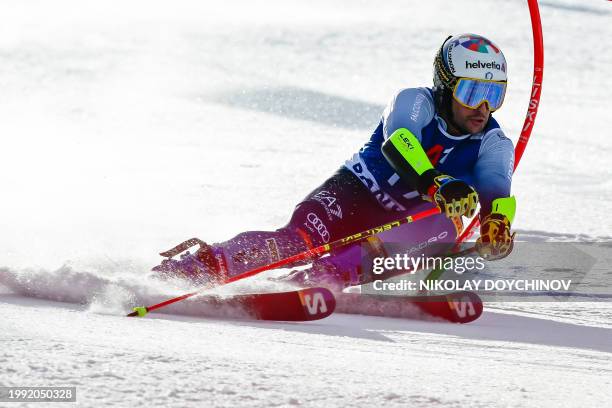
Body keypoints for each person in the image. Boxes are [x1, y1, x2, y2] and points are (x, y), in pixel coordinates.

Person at [153, 33, 517, 291]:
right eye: (471, 92)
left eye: (494, 94)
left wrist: (496, 225)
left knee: (444, 228)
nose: (483, 107)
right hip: (354, 193)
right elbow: (400, 142)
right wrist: (436, 183)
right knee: (296, 243)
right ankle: (195, 267)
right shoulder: (414, 101)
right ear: (444, 85)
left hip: (403, 224)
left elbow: (497, 193)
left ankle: (317, 282)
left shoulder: (494, 143)